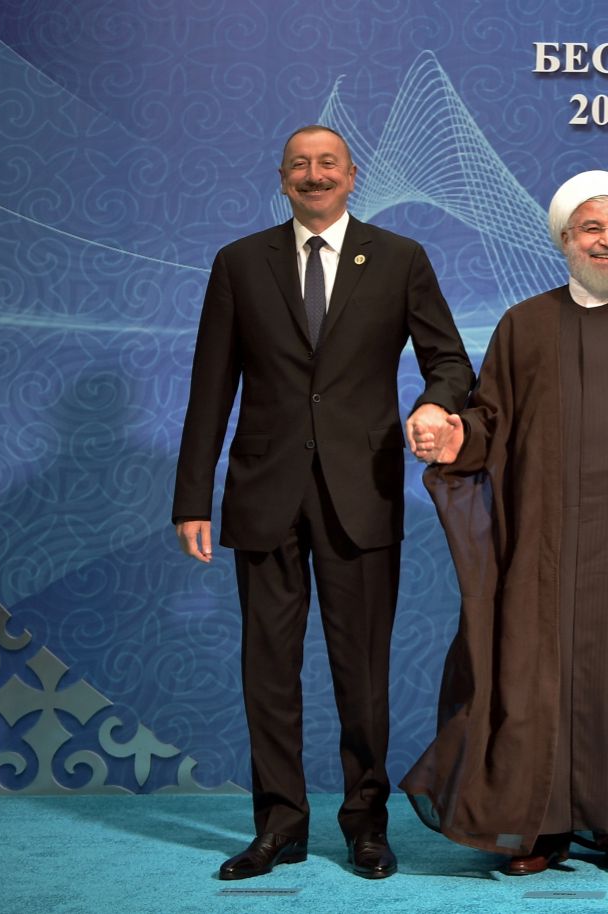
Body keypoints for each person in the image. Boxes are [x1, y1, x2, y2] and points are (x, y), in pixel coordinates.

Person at [400, 170, 608, 879]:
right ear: (564, 239)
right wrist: (453, 436)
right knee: (531, 675)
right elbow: (489, 420)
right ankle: (539, 824)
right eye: (593, 229)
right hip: (542, 539)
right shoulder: (523, 323)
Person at [173, 124, 473, 880]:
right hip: (261, 493)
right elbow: (211, 386)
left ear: (352, 175)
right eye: (300, 165)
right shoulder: (240, 263)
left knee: (361, 673)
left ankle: (366, 826)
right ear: (282, 179)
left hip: (361, 495)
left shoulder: (400, 258)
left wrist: (436, 407)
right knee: (266, 672)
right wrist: (192, 498)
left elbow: (450, 360)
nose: (314, 175)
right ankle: (279, 824)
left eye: (327, 164)